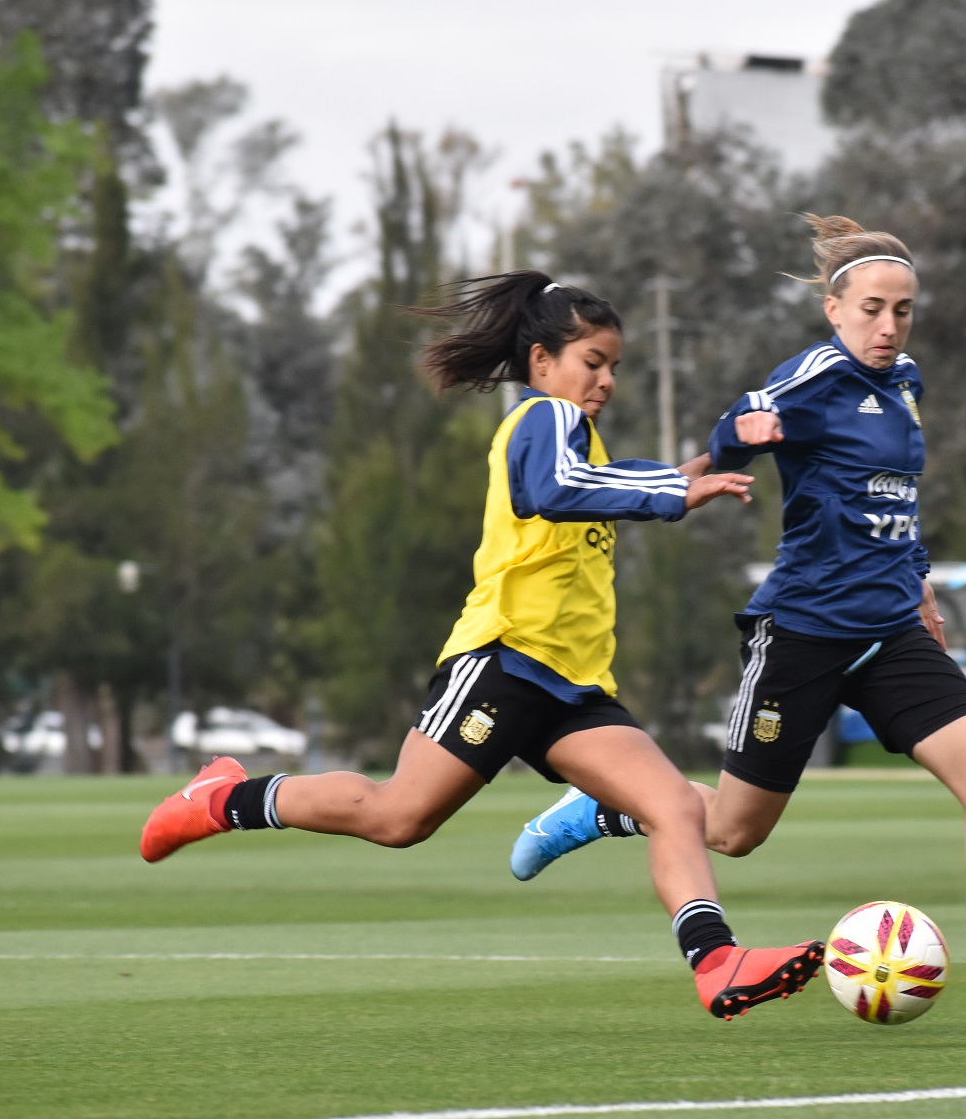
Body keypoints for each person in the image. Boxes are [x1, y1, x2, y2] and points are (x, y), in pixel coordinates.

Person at [508, 220, 966, 1036]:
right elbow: (732, 426)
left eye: (903, 311)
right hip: (805, 632)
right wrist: (747, 433)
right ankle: (601, 810)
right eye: (872, 309)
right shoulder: (812, 375)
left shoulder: (907, 382)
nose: (888, 326)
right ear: (835, 310)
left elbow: (897, 504)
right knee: (735, 832)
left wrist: (921, 588)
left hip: (891, 631)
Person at [139, 271, 824, 1020]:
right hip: (503, 663)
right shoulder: (542, 424)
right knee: (397, 818)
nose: (605, 381)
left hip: (572, 688)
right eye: (592, 362)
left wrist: (729, 449)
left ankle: (717, 963)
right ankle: (222, 800)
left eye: (614, 367)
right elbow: (552, 491)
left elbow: (642, 478)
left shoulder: (581, 443)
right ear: (540, 362)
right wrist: (671, 494)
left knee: (676, 808)